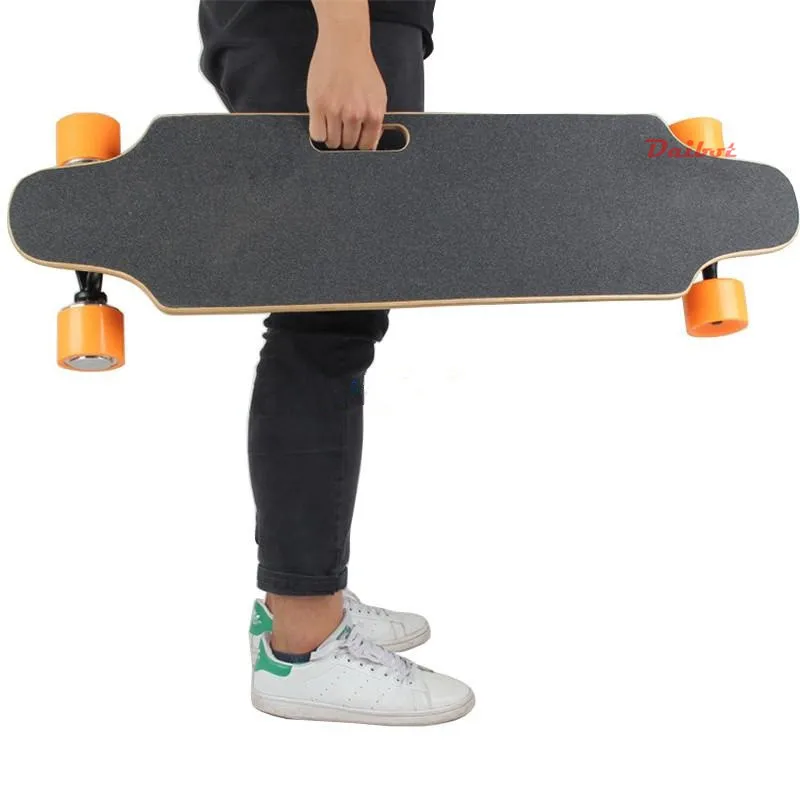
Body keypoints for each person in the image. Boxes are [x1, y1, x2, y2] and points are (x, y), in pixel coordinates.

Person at [199, 0, 474, 725]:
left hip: (339, 25)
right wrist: (346, 38)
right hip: (317, 24)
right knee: (323, 323)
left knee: (340, 319)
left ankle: (305, 597)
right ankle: (304, 640)